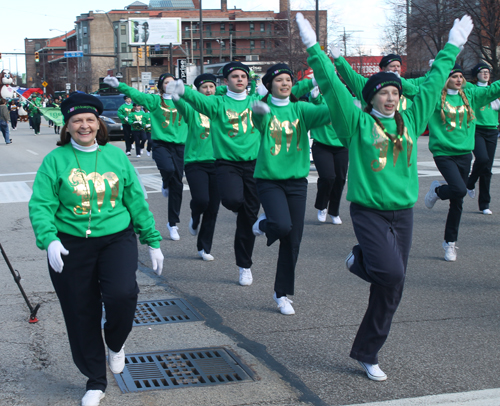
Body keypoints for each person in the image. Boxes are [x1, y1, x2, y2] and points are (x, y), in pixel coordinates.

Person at [297, 12, 471, 381]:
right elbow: (332, 87)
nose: (391, 98)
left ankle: (367, 352)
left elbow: (434, 81)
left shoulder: (411, 118)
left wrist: (454, 44)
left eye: (395, 92)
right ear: (372, 96)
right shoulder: (356, 122)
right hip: (369, 212)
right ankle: (359, 259)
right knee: (389, 273)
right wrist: (314, 48)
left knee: (393, 287)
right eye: (383, 92)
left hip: (402, 213)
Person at [28, 93, 164, 406]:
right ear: (67, 126)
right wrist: (49, 239)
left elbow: (135, 200)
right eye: (77, 120)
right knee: (80, 312)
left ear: (98, 124)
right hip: (70, 244)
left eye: (90, 120)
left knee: (122, 294)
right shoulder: (55, 160)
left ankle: (116, 343)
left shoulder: (116, 157)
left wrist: (152, 239)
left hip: (116, 238)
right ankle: (95, 380)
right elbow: (41, 205)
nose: (84, 125)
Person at [251, 64, 331, 315]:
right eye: (279, 81)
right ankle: (263, 225)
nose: (285, 84)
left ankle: (281, 293)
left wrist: (348, 102)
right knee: (282, 226)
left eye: (288, 80)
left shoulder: (301, 109)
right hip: (269, 179)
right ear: (270, 85)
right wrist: (259, 112)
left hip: (297, 182)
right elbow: (259, 122)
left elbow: (330, 113)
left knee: (293, 239)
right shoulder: (263, 109)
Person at [424, 64, 500, 261]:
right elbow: (415, 89)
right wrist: (434, 72)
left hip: (465, 154)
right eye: (454, 76)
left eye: (460, 76)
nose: (458, 79)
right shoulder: (435, 98)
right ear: (446, 79)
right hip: (443, 153)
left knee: (458, 202)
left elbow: (493, 89)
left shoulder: (471, 96)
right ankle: (438, 191)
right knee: (459, 189)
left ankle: (450, 243)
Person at [104, 73, 188, 241]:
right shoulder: (155, 101)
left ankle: (172, 224)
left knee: (177, 186)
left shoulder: (184, 101)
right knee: (168, 169)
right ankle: (165, 180)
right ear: (161, 86)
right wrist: (119, 85)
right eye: (166, 82)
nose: (169, 84)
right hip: (161, 144)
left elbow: (208, 96)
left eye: (172, 82)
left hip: (181, 146)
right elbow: (136, 95)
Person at [173, 73, 221, 261]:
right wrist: (175, 95)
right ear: (197, 91)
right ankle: (195, 215)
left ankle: (204, 247)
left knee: (213, 208)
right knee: (202, 200)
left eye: (211, 87)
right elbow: (179, 103)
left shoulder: (220, 108)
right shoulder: (192, 109)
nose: (208, 90)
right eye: (204, 88)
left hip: (218, 162)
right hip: (196, 162)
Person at [309, 86, 349, 224]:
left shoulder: (345, 100)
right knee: (328, 177)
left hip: (342, 146)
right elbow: (315, 99)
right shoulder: (320, 100)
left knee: (340, 179)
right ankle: (322, 207)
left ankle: (334, 211)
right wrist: (314, 93)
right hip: (321, 145)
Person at [465, 63, 500, 215]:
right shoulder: (472, 90)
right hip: (476, 129)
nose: (485, 74)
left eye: (487, 72)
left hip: (492, 130)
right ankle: (470, 182)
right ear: (475, 75)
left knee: (487, 169)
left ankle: (484, 204)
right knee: (482, 159)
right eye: (482, 72)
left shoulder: (495, 91)